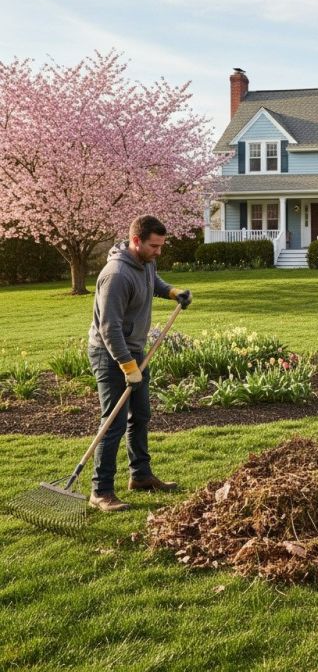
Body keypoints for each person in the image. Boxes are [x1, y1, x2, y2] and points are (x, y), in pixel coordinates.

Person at [87, 215, 192, 512]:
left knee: (141, 414)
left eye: (161, 246)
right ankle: (101, 491)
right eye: (154, 246)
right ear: (136, 241)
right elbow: (110, 329)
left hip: (134, 352)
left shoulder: (146, 262)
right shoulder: (116, 275)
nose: (159, 251)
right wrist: (127, 366)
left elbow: (153, 281)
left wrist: (172, 291)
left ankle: (141, 475)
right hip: (110, 354)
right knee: (113, 422)